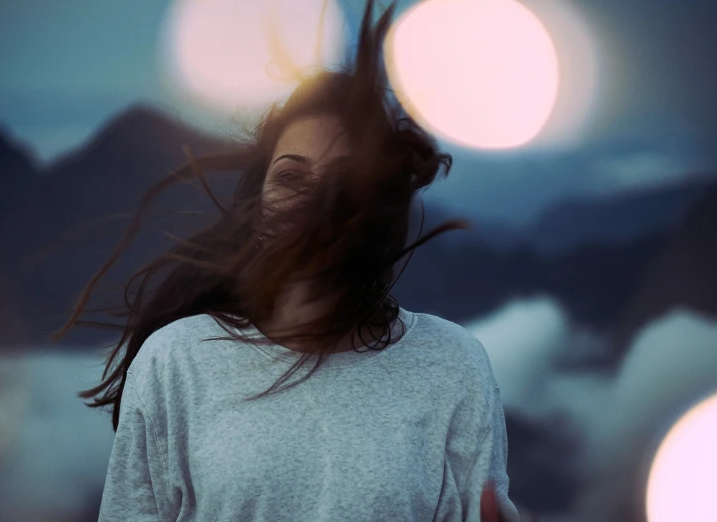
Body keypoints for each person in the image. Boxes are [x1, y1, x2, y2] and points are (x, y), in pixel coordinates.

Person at [54, 1, 530, 520]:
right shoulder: (175, 362)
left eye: (345, 185)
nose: (316, 203)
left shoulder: (452, 365)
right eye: (291, 177)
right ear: (257, 205)